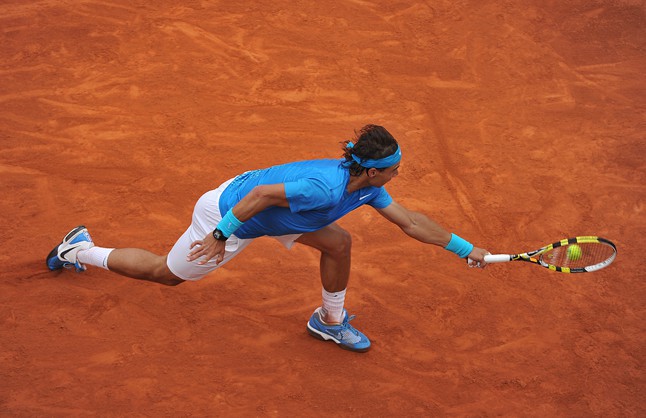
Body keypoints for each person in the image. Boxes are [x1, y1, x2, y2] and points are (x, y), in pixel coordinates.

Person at [46, 124, 489, 353]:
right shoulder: (326, 187)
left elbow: (410, 222)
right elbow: (259, 196)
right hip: (232, 214)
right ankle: (79, 248)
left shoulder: (369, 186)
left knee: (338, 242)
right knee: (168, 274)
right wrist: (221, 234)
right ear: (372, 170)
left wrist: (467, 250)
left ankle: (329, 322)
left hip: (281, 215)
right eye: (394, 169)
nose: (398, 174)